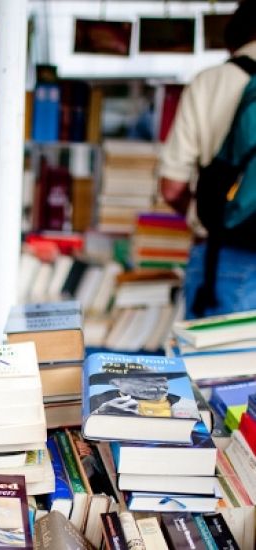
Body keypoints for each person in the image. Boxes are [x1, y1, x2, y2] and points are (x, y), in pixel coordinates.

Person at [158, 1, 256, 319]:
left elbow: (172, 188)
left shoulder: (209, 82)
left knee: (217, 368)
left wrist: (212, 213)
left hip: (224, 258)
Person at [90, 362, 198, 419]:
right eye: (143, 380)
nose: (156, 387)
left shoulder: (187, 404)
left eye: (161, 381)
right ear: (115, 382)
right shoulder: (97, 401)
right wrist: (101, 413)